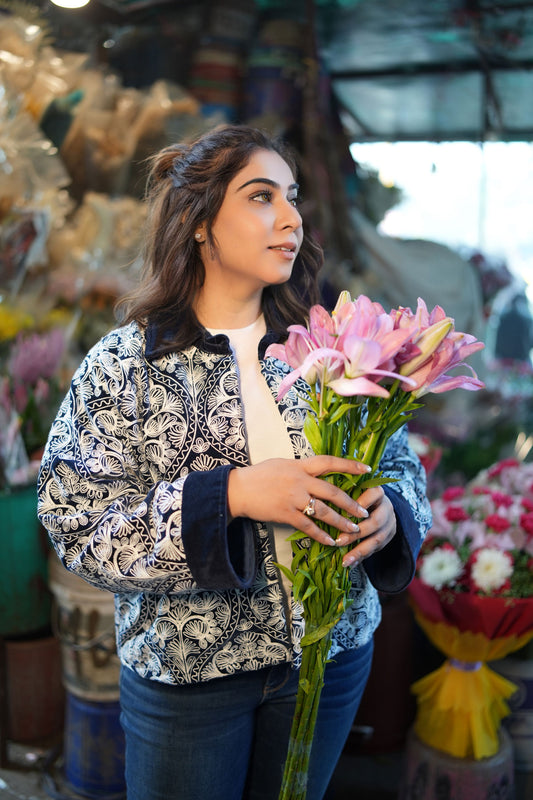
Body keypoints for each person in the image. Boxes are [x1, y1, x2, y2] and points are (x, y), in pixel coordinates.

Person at [38, 124, 432, 800]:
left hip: (328, 662)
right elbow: (74, 521)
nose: (290, 218)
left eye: (292, 197)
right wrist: (232, 496)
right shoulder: (125, 365)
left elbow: (401, 468)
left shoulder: (327, 350)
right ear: (198, 223)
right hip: (189, 681)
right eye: (260, 196)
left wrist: (389, 514)